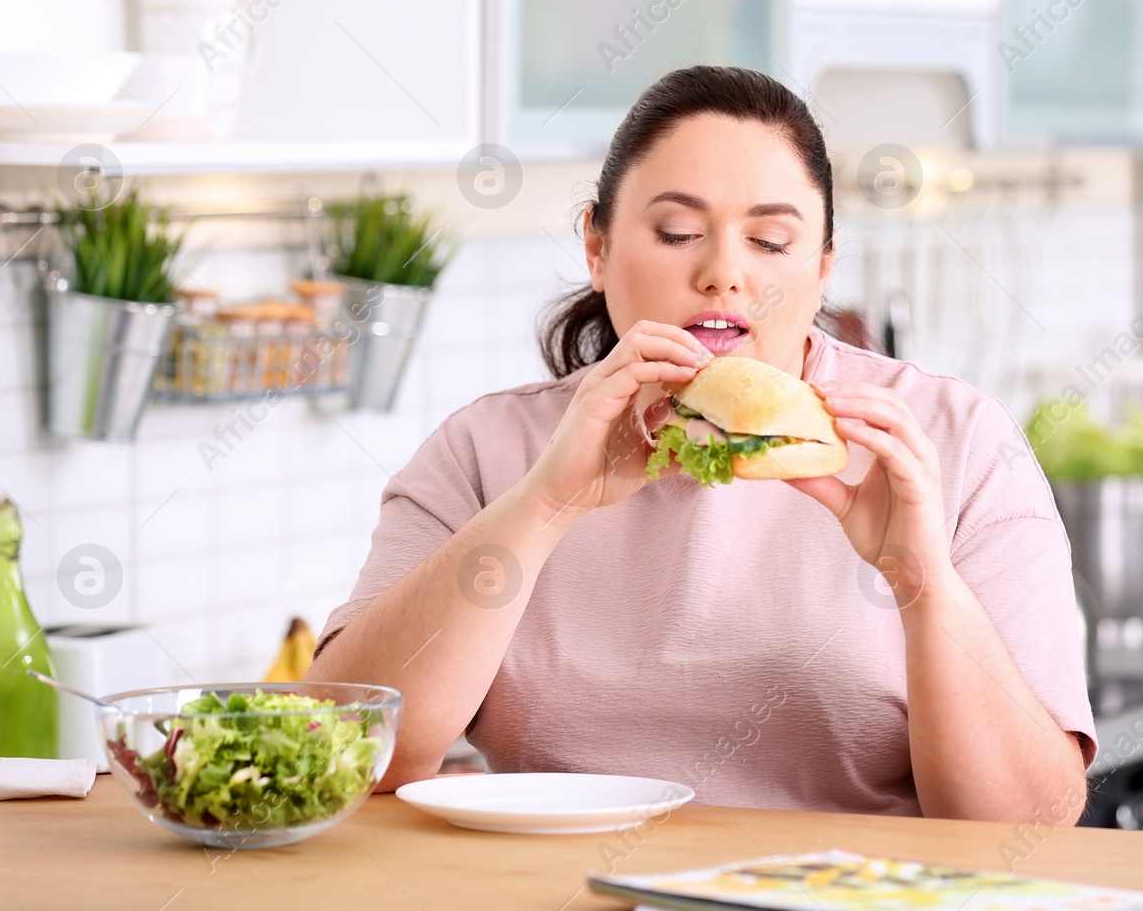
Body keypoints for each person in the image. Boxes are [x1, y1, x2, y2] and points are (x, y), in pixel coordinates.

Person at [308, 65, 1095, 822]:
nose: (723, 273)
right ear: (598, 246)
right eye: (679, 231)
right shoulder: (489, 449)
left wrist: (920, 581)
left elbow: (1030, 819)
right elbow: (332, 754)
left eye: (772, 242)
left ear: (822, 269)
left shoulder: (951, 443)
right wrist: (545, 505)